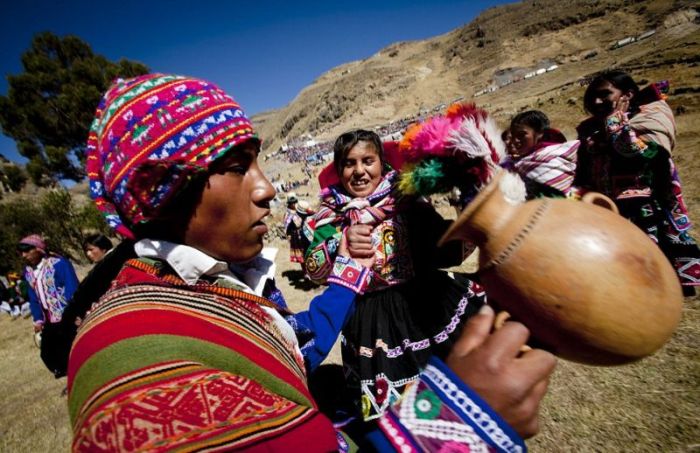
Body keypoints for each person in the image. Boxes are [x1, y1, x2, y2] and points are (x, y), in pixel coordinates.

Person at [64, 73, 554, 452]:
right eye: (238, 168)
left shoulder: (213, 291)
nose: (267, 188)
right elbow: (314, 272)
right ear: (161, 193)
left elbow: (285, 345)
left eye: (258, 163)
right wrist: (458, 420)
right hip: (372, 322)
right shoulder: (142, 357)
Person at [304, 129, 486, 422]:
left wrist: (471, 219)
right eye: (349, 163)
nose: (360, 171)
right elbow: (313, 271)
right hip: (368, 321)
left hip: (422, 305)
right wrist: (340, 245)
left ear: (382, 162)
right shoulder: (330, 216)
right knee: (390, 411)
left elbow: (442, 248)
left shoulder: (407, 200)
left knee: (451, 388)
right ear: (339, 170)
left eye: (368, 160)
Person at [575, 71, 700, 291]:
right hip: (606, 213)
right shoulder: (591, 131)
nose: (596, 101)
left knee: (649, 275)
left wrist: (616, 122)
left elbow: (638, 153)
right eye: (592, 96)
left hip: (645, 212)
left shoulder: (651, 117)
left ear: (628, 94)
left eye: (605, 94)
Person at [501, 110, 579, 199]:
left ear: (540, 133)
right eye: (513, 136)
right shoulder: (522, 161)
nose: (515, 140)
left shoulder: (550, 158)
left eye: (521, 135)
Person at [17, 234, 78, 333]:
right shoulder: (28, 272)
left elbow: (72, 288)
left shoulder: (59, 264)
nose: (24, 255)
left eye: (27, 251)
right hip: (48, 322)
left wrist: (75, 313)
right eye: (21, 253)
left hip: (67, 316)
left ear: (38, 249)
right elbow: (33, 298)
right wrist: (38, 319)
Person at [283, 193, 312, 264]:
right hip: (296, 236)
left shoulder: (298, 210)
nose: (294, 204)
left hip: (303, 233)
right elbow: (290, 225)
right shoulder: (288, 214)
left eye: (295, 202)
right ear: (290, 204)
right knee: (302, 254)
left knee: (307, 251)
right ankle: (305, 272)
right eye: (293, 203)